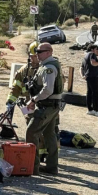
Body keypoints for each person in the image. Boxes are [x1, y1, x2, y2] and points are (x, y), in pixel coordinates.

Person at [25, 43, 64, 175]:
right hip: (50, 105)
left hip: (47, 106)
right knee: (49, 134)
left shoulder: (49, 68)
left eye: (40, 51)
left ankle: (33, 166)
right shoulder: (47, 66)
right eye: (36, 51)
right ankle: (51, 167)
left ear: (49, 52)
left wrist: (34, 100)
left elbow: (48, 89)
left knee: (31, 131)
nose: (37, 54)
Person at [84, 44, 98, 116]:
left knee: (90, 93)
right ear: (92, 49)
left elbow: (94, 65)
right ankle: (97, 110)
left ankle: (90, 109)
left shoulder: (86, 55)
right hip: (94, 77)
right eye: (97, 49)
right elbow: (93, 63)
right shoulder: (92, 54)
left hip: (90, 77)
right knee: (96, 94)